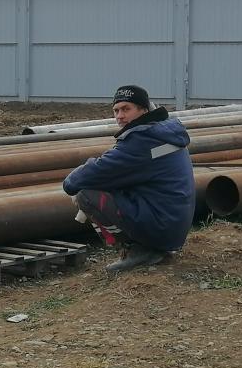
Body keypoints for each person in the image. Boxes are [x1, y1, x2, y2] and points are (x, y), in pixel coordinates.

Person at [62, 85, 196, 273]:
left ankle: (139, 250)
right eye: (116, 110)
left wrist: (69, 182)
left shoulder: (141, 140)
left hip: (162, 227)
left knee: (86, 194)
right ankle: (148, 247)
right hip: (172, 221)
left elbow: (85, 177)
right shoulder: (163, 132)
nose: (120, 116)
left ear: (144, 110)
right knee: (113, 184)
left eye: (126, 109)